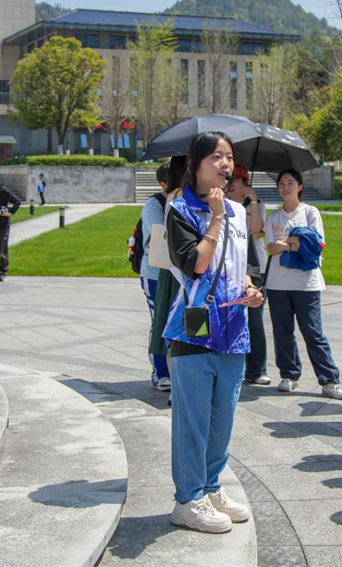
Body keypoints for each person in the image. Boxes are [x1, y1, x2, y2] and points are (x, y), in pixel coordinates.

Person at [162, 131, 264, 534]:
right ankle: (187, 499)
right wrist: (217, 217)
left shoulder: (240, 213)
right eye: (216, 158)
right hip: (193, 331)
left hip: (235, 331)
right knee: (193, 421)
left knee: (222, 420)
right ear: (196, 164)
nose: (225, 165)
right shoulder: (181, 211)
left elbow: (248, 268)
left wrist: (254, 291)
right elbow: (196, 266)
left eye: (229, 157)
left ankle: (211, 486)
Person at [265, 169, 342, 400]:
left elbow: (317, 245)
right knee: (283, 332)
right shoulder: (273, 217)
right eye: (281, 183)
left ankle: (330, 380)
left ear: (300, 186)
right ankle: (289, 374)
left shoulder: (310, 213)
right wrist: (295, 242)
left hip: (307, 283)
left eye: (290, 182)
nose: (285, 187)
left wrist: (287, 245)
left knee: (313, 332)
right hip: (277, 283)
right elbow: (271, 248)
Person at [226, 164, 270, 386]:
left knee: (255, 320)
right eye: (229, 180)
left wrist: (253, 202)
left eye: (236, 180)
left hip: (255, 267)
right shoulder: (223, 206)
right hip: (232, 269)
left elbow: (256, 231)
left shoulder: (256, 205)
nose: (231, 184)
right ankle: (235, 366)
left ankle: (258, 369)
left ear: (246, 184)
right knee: (232, 317)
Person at [150, 156, 187, 406]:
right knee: (177, 328)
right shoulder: (179, 195)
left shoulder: (177, 193)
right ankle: (177, 384)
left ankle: (179, 384)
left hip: (178, 269)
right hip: (178, 270)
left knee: (180, 329)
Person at [139, 163, 171, 392]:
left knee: (174, 320)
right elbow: (164, 234)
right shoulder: (154, 204)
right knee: (159, 320)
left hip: (176, 273)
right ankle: (160, 372)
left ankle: (174, 367)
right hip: (154, 274)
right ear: (164, 184)